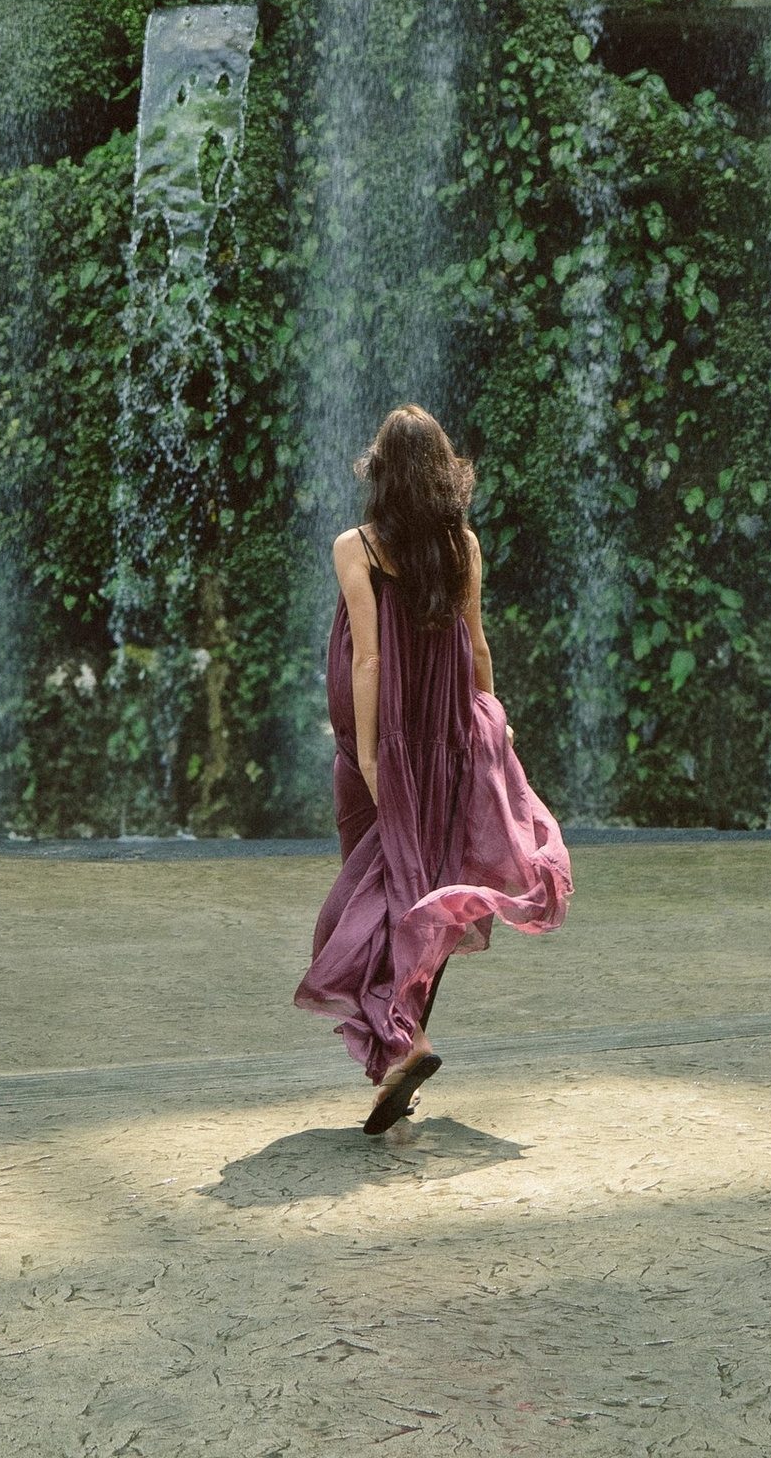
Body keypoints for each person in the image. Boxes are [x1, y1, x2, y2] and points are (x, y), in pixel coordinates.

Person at [294, 404, 572, 1133]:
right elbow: (476, 647)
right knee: (429, 898)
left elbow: (369, 658)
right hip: (447, 746)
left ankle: (402, 1045)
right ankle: (401, 1053)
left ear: (381, 473)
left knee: (377, 895)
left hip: (383, 748)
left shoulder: (356, 547)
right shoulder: (462, 547)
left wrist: (367, 754)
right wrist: (492, 721)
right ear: (446, 474)